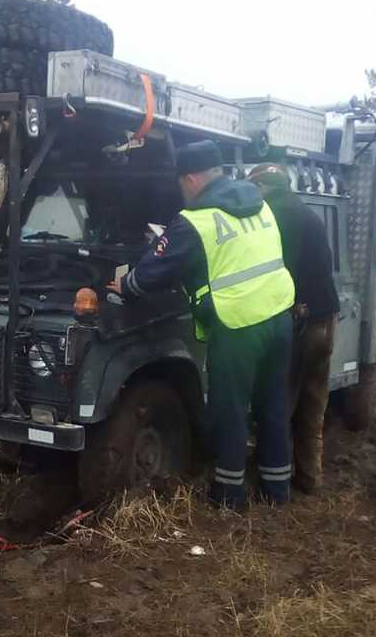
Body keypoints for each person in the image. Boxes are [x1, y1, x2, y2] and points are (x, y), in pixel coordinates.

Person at [108, 141, 296, 509]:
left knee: (231, 409)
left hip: (240, 324)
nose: (182, 191)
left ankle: (229, 495)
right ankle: (278, 492)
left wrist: (124, 283)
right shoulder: (261, 207)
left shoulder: (197, 220)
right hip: (279, 316)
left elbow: (151, 273)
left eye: (181, 183)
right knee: (273, 406)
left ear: (191, 179)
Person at [248, 163, 340, 494]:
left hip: (299, 322)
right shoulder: (305, 211)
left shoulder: (272, 216)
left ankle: (271, 479)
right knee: (313, 404)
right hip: (326, 320)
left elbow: (278, 272)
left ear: (261, 188)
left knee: (279, 403)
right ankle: (310, 479)